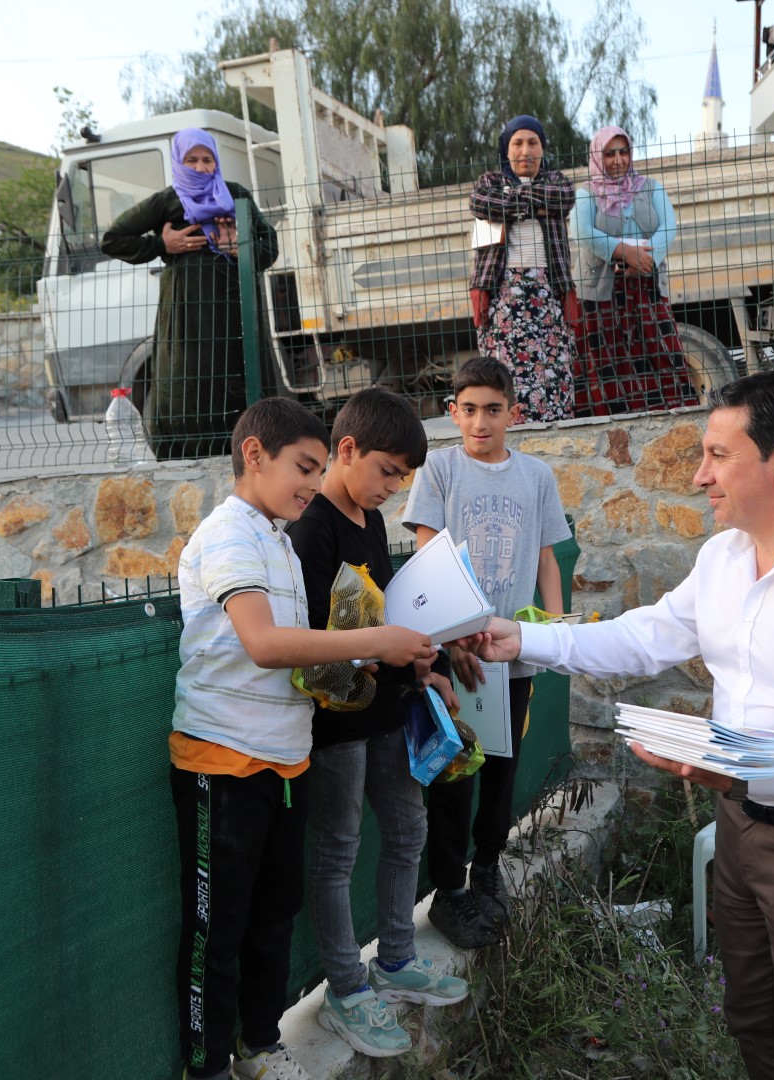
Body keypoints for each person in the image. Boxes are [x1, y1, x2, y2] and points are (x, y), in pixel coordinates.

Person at [464, 370, 774, 1080]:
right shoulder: (723, 558)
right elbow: (646, 637)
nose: (699, 476)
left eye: (719, 455)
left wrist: (745, 768)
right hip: (743, 830)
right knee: (752, 1020)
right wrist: (526, 639)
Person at [169, 396, 436, 1080]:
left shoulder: (279, 540)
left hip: (285, 763)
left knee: (274, 918)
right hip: (222, 763)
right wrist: (372, 638)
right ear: (254, 455)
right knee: (218, 931)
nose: (313, 485)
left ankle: (259, 1045)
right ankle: (207, 1068)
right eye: (304, 467)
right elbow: (262, 643)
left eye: (318, 471)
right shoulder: (229, 535)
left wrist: (357, 660)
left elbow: (301, 651)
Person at [282, 388, 471, 1058]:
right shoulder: (313, 529)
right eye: (389, 471)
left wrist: (422, 665)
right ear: (348, 450)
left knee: (409, 826)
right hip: (335, 723)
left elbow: (382, 613)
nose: (395, 487)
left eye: (403, 477)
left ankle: (395, 957)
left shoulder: (365, 516)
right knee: (337, 851)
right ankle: (345, 989)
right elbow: (311, 640)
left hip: (387, 710)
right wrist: (382, 647)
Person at [402, 356, 572, 948]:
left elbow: (549, 560)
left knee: (501, 768)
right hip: (455, 655)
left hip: (513, 654)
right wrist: (451, 640)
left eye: (493, 410)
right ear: (453, 413)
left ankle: (488, 869)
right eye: (468, 410)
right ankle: (449, 889)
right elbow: (428, 564)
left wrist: (552, 634)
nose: (480, 422)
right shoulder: (439, 470)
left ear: (512, 414)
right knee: (455, 772)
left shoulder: (536, 478)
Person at [102, 128, 278, 461]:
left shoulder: (236, 196)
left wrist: (239, 247)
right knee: (186, 386)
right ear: (179, 163)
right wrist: (162, 245)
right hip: (186, 319)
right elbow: (113, 239)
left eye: (207, 159)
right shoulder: (168, 201)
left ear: (216, 162)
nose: (200, 167)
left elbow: (270, 248)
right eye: (192, 160)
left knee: (241, 383)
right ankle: (186, 458)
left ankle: (249, 455)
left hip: (235, 313)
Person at [570, 125, 699, 417]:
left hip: (647, 287)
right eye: (610, 153)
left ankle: (668, 422)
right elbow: (581, 231)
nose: (618, 160)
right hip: (600, 295)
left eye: (624, 152)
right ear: (597, 157)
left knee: (662, 356)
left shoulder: (651, 188)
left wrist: (645, 260)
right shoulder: (586, 194)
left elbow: (668, 226)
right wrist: (623, 252)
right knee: (606, 363)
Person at [468, 115, 578, 424]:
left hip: (549, 289)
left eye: (533, 143)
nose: (525, 151)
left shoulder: (556, 181)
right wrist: (536, 204)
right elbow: (480, 202)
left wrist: (510, 203)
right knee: (505, 371)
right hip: (504, 293)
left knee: (552, 368)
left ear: (542, 148)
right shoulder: (489, 182)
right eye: (517, 143)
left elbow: (565, 198)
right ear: (506, 149)